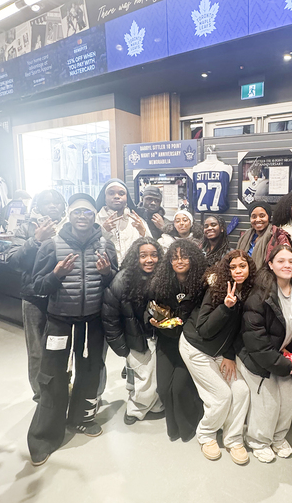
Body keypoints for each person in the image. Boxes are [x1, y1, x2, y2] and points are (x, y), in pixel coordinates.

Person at [27, 194, 117, 466]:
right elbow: (37, 286)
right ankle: (44, 437)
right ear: (70, 214)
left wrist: (107, 273)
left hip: (93, 322)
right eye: (77, 212)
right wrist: (56, 275)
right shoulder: (52, 245)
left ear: (93, 217)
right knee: (52, 377)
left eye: (87, 213)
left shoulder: (106, 244)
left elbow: (116, 282)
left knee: (90, 372)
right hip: (59, 322)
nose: (82, 217)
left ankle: (81, 419)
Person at [237, 244, 292, 463]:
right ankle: (258, 440)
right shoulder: (260, 295)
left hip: (283, 356)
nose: (287, 265)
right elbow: (256, 342)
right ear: (270, 264)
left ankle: (278, 438)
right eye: (280, 261)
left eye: (291, 261)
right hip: (257, 359)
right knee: (268, 403)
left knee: (289, 401)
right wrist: (286, 366)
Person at [179, 250, 256, 464]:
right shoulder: (216, 288)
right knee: (222, 395)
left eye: (243, 266)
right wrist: (226, 307)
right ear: (226, 270)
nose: (238, 271)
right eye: (233, 267)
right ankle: (206, 434)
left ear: (250, 268)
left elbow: (237, 331)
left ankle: (233, 438)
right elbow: (204, 329)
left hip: (220, 351)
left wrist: (229, 355)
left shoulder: (249, 292)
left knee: (240, 391)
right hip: (196, 347)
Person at [5, 189, 66, 401]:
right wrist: (36, 239)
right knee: (37, 349)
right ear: (38, 206)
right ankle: (42, 395)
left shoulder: (68, 227)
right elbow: (13, 262)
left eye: (57, 203)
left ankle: (62, 388)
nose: (52, 206)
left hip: (63, 295)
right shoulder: (25, 228)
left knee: (62, 345)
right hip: (33, 297)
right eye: (47, 203)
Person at [102, 237, 165, 425]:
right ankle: (135, 410)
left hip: (158, 337)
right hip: (136, 339)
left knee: (153, 376)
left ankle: (155, 406)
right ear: (134, 257)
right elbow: (109, 316)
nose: (149, 260)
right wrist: (121, 347)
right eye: (143, 255)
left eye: (154, 255)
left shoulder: (162, 277)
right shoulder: (122, 280)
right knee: (143, 378)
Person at [148, 239, 207, 442]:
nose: (179, 261)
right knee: (163, 388)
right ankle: (173, 428)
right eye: (174, 257)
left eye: (184, 257)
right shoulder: (161, 282)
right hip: (166, 341)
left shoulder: (203, 283)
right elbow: (150, 310)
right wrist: (153, 321)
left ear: (193, 259)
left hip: (191, 343)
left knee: (180, 387)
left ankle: (189, 426)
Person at [95, 179, 147, 265]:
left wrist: (143, 233)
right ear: (104, 198)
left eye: (121, 194)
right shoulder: (95, 220)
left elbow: (151, 248)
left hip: (132, 272)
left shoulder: (137, 220)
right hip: (104, 271)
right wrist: (102, 231)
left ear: (127, 198)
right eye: (111, 193)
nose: (116, 196)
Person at [237, 201, 291, 270]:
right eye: (254, 216)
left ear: (268, 217)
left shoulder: (278, 237)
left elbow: (285, 264)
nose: (258, 219)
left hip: (267, 279)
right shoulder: (245, 236)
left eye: (262, 216)